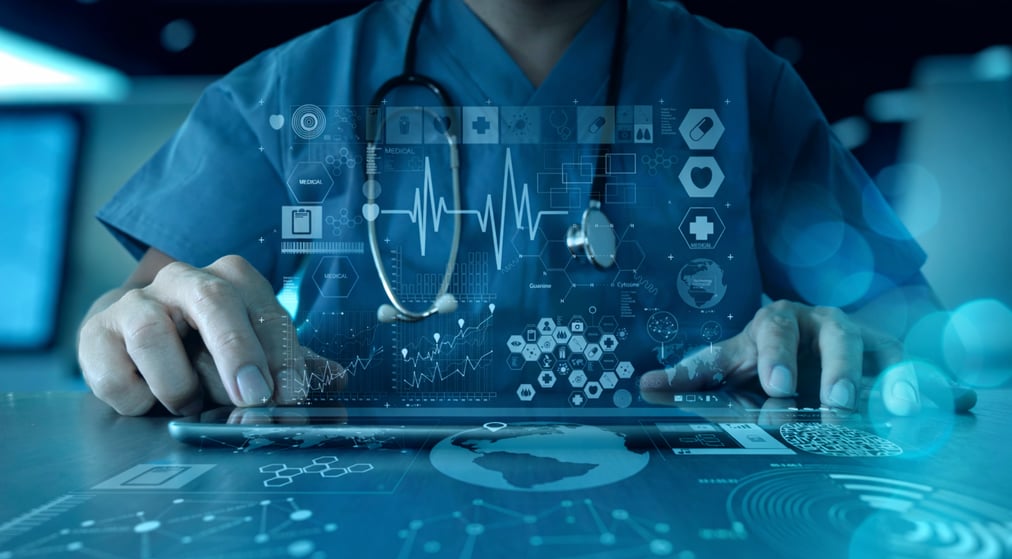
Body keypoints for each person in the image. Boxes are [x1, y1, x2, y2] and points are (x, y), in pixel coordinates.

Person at [77, 0, 967, 417]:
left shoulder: (742, 85)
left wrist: (854, 344)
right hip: (360, 549)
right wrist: (138, 328)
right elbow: (155, 316)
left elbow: (920, 346)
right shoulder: (295, 88)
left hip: (704, 549)